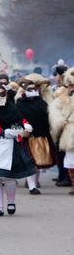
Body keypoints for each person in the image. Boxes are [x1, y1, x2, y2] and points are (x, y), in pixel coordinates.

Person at [0, 85, 36, 216]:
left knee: (9, 177)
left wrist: (9, 132)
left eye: (1, 94)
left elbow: (19, 128)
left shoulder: (12, 109)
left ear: (6, 96)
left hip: (8, 145)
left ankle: (11, 201)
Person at [16, 78, 56, 194]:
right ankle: (32, 185)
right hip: (27, 137)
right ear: (24, 91)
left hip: (41, 136)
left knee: (38, 161)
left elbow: (47, 117)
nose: (32, 91)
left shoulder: (41, 102)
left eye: (34, 89)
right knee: (30, 161)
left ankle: (35, 182)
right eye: (29, 89)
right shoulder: (20, 103)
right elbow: (17, 119)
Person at [49, 67, 74, 195]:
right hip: (68, 131)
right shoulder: (63, 97)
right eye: (70, 85)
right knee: (70, 160)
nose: (71, 88)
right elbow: (54, 109)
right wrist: (59, 121)